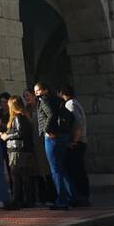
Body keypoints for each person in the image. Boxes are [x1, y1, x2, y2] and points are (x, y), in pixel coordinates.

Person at [35, 82, 74, 210]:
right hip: (63, 135)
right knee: (62, 168)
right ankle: (70, 197)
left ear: (45, 90)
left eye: (39, 90)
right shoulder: (57, 100)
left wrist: (46, 130)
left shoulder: (44, 100)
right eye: (35, 90)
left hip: (53, 136)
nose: (37, 93)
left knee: (55, 169)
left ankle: (61, 200)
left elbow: (50, 114)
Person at [1, 96, 36, 208]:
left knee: (16, 176)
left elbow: (20, 133)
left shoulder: (18, 117)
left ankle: (17, 200)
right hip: (24, 150)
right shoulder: (25, 116)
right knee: (24, 177)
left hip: (18, 150)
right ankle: (28, 200)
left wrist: (7, 136)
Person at [61, 86, 90, 206]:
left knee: (75, 170)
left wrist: (74, 140)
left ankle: (80, 196)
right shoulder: (76, 103)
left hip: (77, 142)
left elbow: (78, 123)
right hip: (81, 141)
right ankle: (83, 196)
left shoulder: (70, 105)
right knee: (79, 170)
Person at [24, 89, 54, 205]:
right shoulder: (26, 109)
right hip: (32, 143)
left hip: (41, 141)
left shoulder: (40, 106)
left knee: (46, 170)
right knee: (36, 172)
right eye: (25, 96)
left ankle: (50, 197)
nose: (27, 98)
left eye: (28, 95)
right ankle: (41, 197)